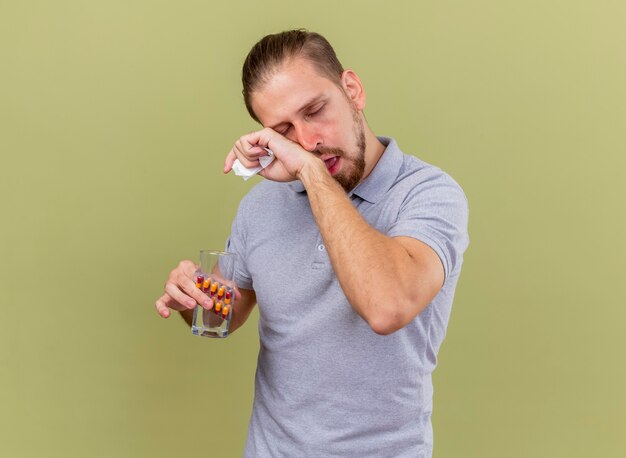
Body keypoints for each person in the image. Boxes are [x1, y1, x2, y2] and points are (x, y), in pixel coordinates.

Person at [155, 29, 469, 457]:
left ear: (352, 90)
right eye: (283, 130)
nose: (307, 141)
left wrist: (311, 173)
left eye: (315, 110)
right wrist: (193, 297)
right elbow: (224, 317)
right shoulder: (260, 206)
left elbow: (387, 306)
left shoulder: (428, 193)